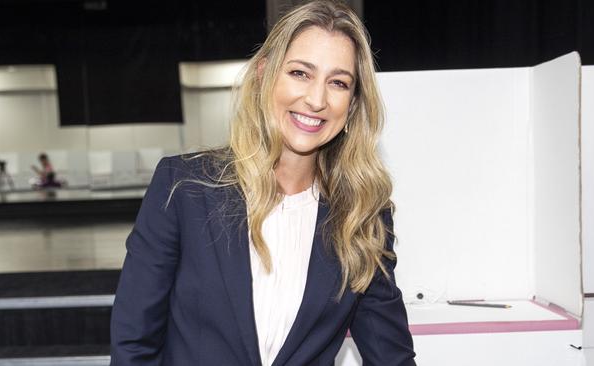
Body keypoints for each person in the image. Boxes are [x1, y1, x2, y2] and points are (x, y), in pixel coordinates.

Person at [110, 1, 416, 365]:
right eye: (300, 73)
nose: (316, 99)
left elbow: (391, 355)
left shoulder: (363, 216)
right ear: (264, 75)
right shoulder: (183, 188)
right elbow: (134, 345)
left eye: (338, 83)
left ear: (351, 105)